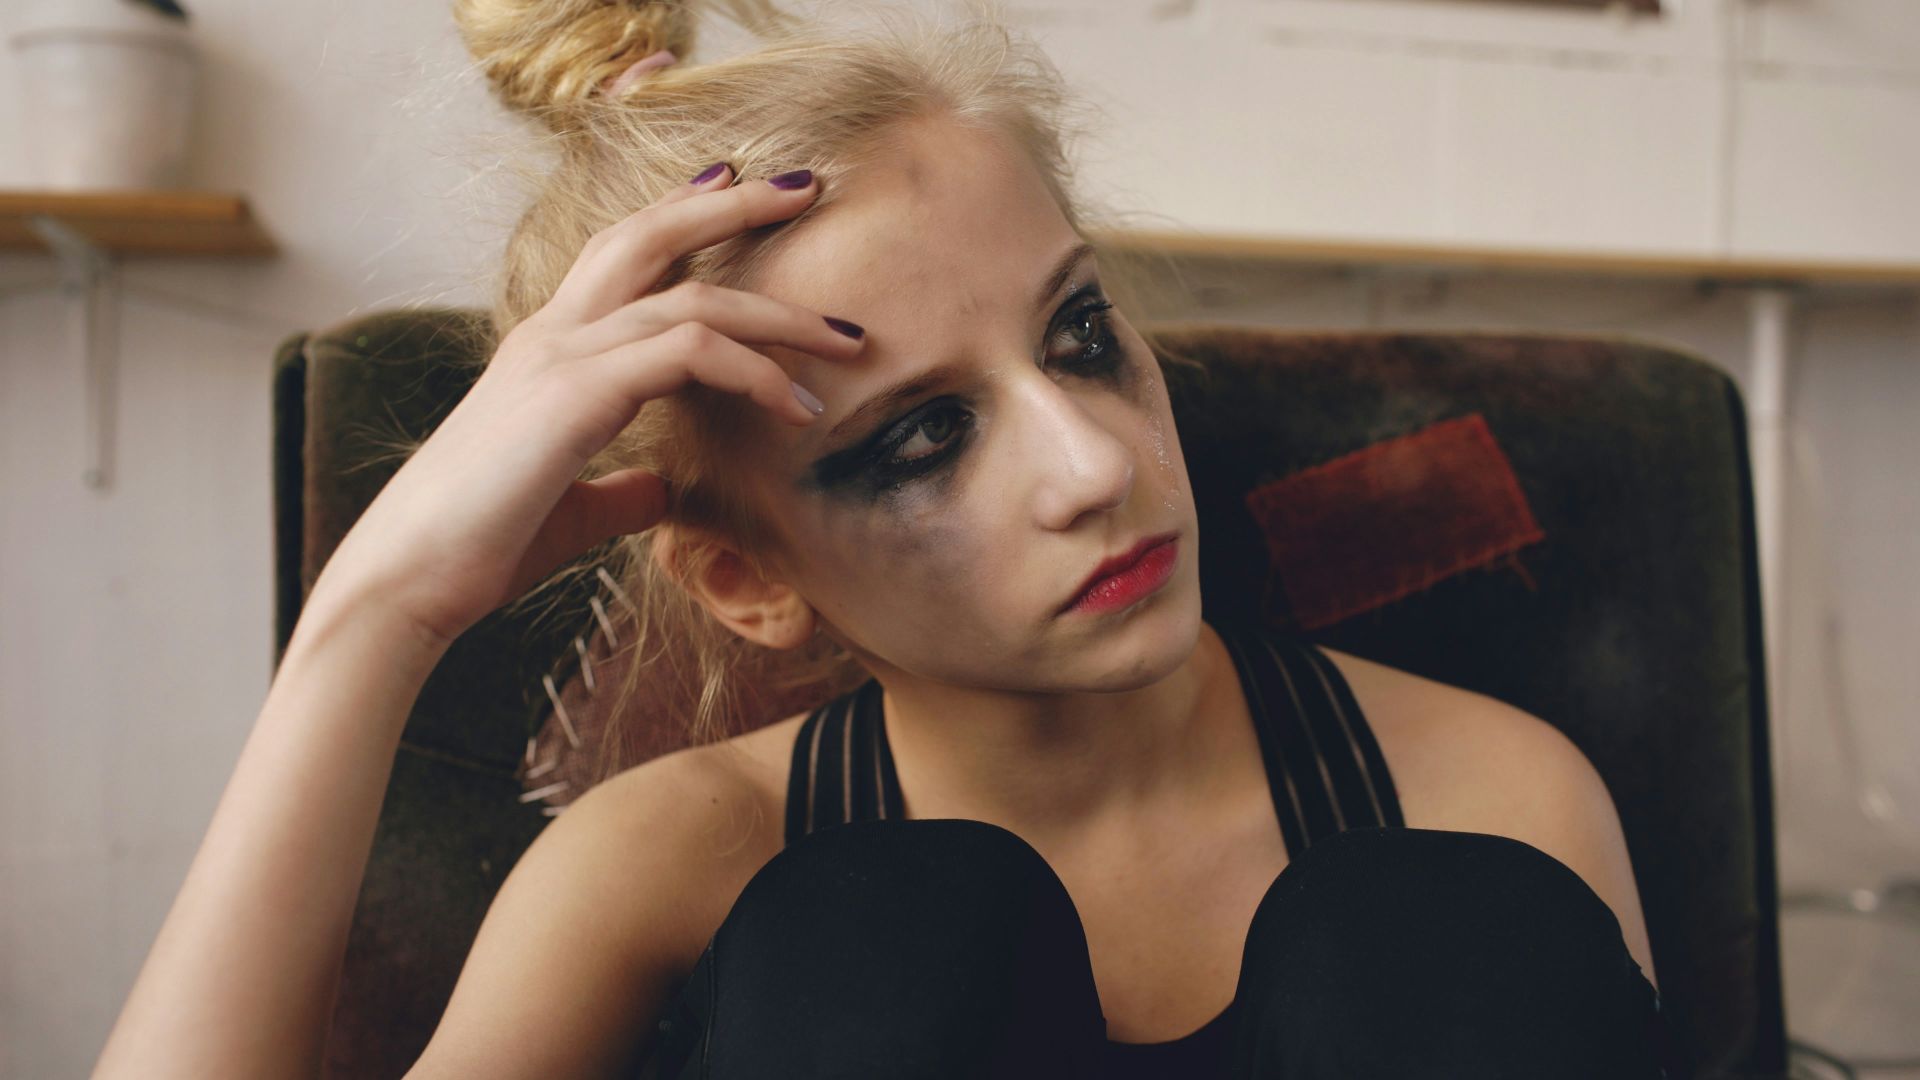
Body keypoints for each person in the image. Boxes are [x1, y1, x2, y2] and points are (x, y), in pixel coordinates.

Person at [93, 1, 1680, 1077]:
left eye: (1076, 339)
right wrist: (374, 618)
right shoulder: (680, 860)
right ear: (745, 575)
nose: (1092, 464)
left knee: (1432, 937)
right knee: (885, 942)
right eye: (919, 439)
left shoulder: (1488, 797)